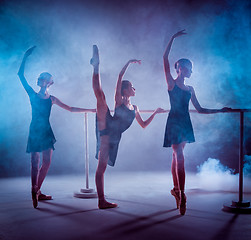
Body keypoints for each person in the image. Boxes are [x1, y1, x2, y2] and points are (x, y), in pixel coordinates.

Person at [18, 46, 95, 208]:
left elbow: (71, 108)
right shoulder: (32, 94)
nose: (42, 80)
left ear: (49, 82)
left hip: (46, 130)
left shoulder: (52, 99)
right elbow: (20, 75)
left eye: (45, 78)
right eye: (40, 78)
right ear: (39, 81)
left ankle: (37, 190)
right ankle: (34, 190)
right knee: (34, 161)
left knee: (46, 162)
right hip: (35, 130)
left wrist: (90, 109)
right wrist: (25, 56)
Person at [163, 30, 230, 215]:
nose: (191, 71)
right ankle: (182, 195)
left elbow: (200, 109)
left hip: (185, 122)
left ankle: (176, 190)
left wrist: (220, 110)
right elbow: (164, 58)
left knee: (177, 156)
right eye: (189, 68)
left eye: (192, 68)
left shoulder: (190, 88)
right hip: (174, 121)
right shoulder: (171, 83)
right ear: (181, 69)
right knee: (179, 156)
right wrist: (172, 38)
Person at [91, 45, 164, 209]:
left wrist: (155, 113)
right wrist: (129, 62)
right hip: (107, 128)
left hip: (115, 137)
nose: (134, 88)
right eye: (132, 86)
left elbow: (143, 125)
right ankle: (96, 65)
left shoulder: (135, 108)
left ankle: (102, 200)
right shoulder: (119, 101)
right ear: (125, 90)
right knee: (100, 96)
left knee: (102, 167)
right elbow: (120, 76)